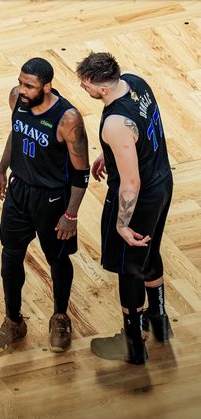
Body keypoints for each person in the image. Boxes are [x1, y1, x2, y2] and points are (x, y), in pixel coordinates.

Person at [0, 57, 90, 354]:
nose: (22, 89)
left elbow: (81, 173)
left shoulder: (68, 119)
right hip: (19, 193)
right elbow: (16, 133)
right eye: (21, 82)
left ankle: (60, 317)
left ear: (47, 86)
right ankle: (14, 321)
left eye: (29, 85)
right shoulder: (17, 100)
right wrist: (2, 169)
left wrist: (71, 214)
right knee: (10, 257)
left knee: (57, 260)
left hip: (53, 199)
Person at [76, 52, 173, 365]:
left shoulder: (116, 123)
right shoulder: (135, 81)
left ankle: (132, 346)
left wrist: (121, 224)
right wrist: (113, 153)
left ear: (103, 89)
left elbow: (130, 183)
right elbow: (141, 132)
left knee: (129, 268)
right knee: (150, 251)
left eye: (85, 84)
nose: (83, 88)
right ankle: (160, 324)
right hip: (163, 182)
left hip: (140, 197)